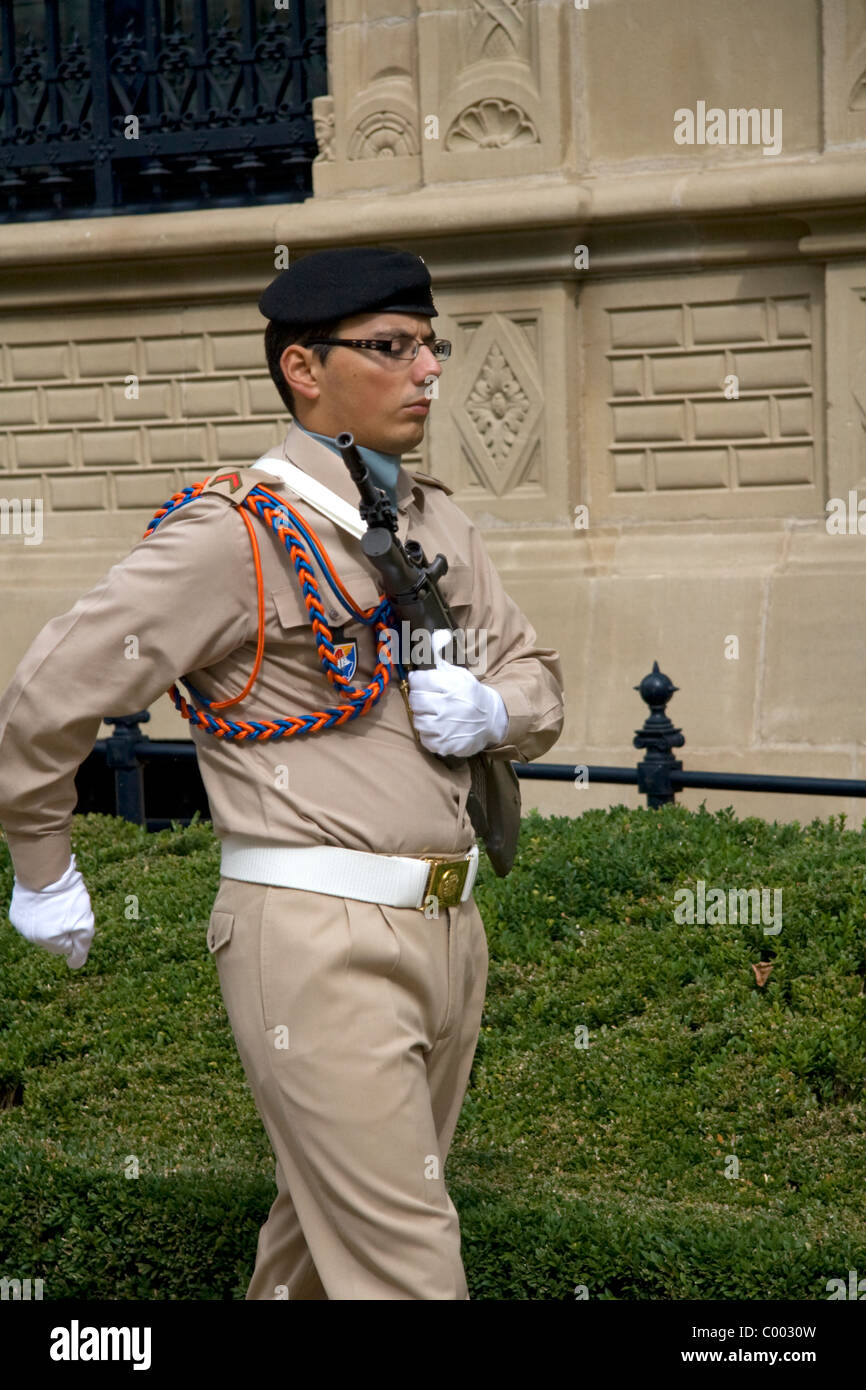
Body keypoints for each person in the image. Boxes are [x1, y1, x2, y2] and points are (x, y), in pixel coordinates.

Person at [0, 245, 565, 1300]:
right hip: (315, 934)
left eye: (430, 345)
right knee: (407, 1267)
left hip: (450, 925)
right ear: (304, 369)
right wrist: (43, 863)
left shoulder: (434, 521)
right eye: (392, 348)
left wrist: (498, 709)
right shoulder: (234, 535)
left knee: (315, 1253)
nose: (428, 370)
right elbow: (46, 693)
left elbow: (533, 668)